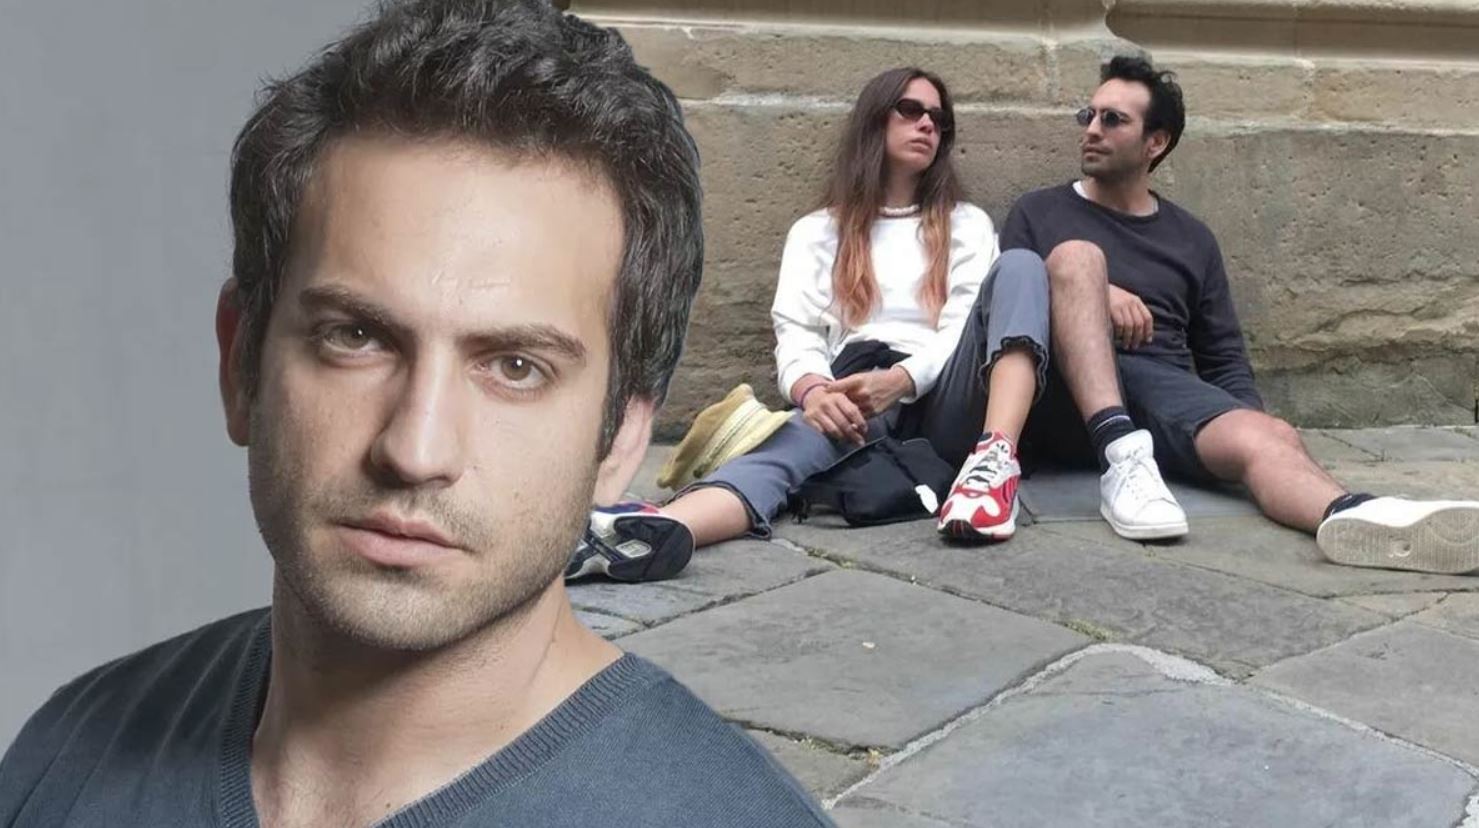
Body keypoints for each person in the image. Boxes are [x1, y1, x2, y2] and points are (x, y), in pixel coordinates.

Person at [0, 2, 834, 825]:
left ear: (619, 438)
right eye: (355, 337)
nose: (415, 448)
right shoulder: (66, 752)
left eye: (516, 367)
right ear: (239, 364)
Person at [566, 66, 1052, 585]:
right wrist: (815, 392)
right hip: (857, 389)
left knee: (1021, 266)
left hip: (947, 393)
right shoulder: (818, 231)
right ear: (874, 121)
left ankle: (994, 463)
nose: (928, 125)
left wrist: (901, 380)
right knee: (787, 448)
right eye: (911, 110)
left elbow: (960, 326)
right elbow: (796, 331)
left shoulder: (966, 223)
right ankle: (651, 532)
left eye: (939, 118)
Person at [1001, 54, 1479, 574]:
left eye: (1112, 119)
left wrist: (1247, 417)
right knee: (1077, 259)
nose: (1092, 129)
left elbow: (1222, 354)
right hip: (1066, 401)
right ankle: (1119, 449)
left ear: (1155, 143)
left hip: (1162, 396)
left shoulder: (1191, 238)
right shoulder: (1039, 212)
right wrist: (1091, 289)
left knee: (1272, 436)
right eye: (1088, 115)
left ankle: (1358, 517)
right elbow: (1008, 310)